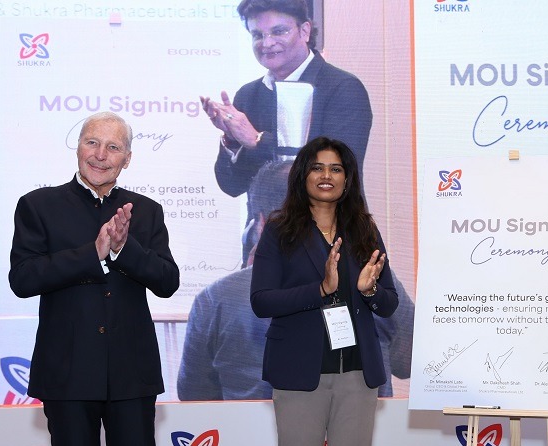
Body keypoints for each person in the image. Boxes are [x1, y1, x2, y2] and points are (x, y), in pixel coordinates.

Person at [8, 111, 184, 446]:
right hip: (69, 375)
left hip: (130, 373)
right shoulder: (39, 205)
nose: (101, 154)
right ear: (78, 147)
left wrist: (124, 249)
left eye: (113, 147)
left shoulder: (145, 211)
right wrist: (94, 252)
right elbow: (22, 279)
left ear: (127, 158)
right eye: (92, 142)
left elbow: (168, 280)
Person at [251, 136, 397, 446]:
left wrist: (368, 290)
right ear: (303, 175)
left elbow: (389, 302)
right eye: (317, 167)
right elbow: (262, 300)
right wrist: (320, 289)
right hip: (300, 377)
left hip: (356, 375)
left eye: (336, 168)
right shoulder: (281, 230)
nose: (327, 175)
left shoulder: (364, 229)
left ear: (348, 178)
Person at [176, 159, 413, 401]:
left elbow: (195, 398)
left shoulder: (215, 300)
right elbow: (410, 363)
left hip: (258, 427)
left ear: (261, 222)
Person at [201, 0, 372, 263]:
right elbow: (231, 186)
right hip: (263, 248)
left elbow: (335, 173)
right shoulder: (249, 94)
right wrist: (232, 141)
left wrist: (257, 140)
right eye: (257, 35)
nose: (267, 43)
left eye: (278, 31)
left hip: (330, 245)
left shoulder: (342, 87)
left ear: (305, 31)